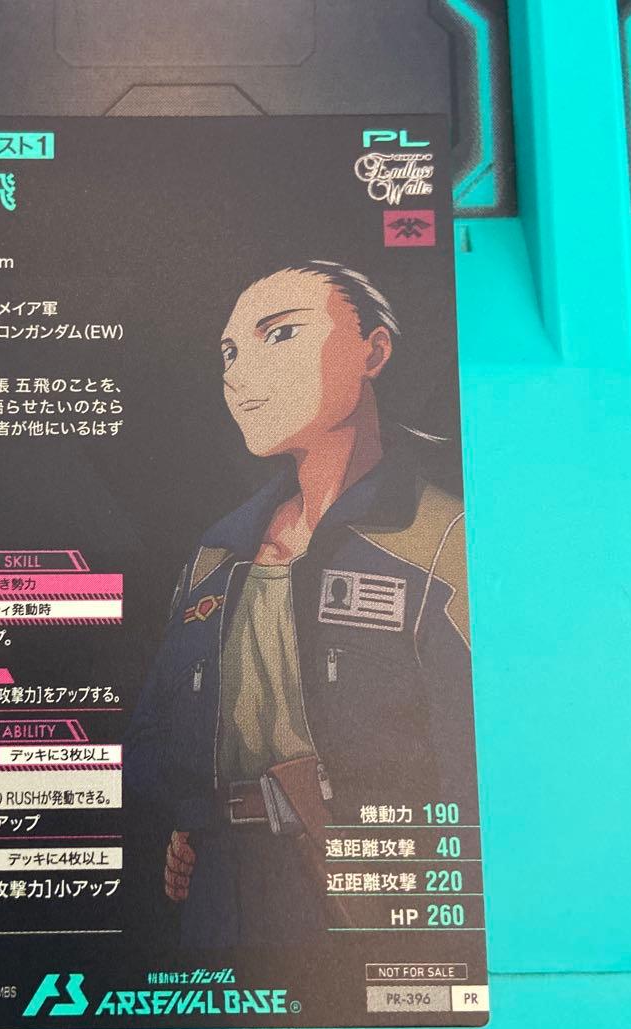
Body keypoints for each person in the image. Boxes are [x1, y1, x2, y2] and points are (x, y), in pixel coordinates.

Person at [125, 260, 473, 947]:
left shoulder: (441, 541)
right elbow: (151, 737)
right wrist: (194, 812)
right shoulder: (218, 554)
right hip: (218, 899)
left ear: (373, 351)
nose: (239, 373)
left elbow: (475, 766)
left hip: (371, 898)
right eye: (229, 353)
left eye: (280, 334)